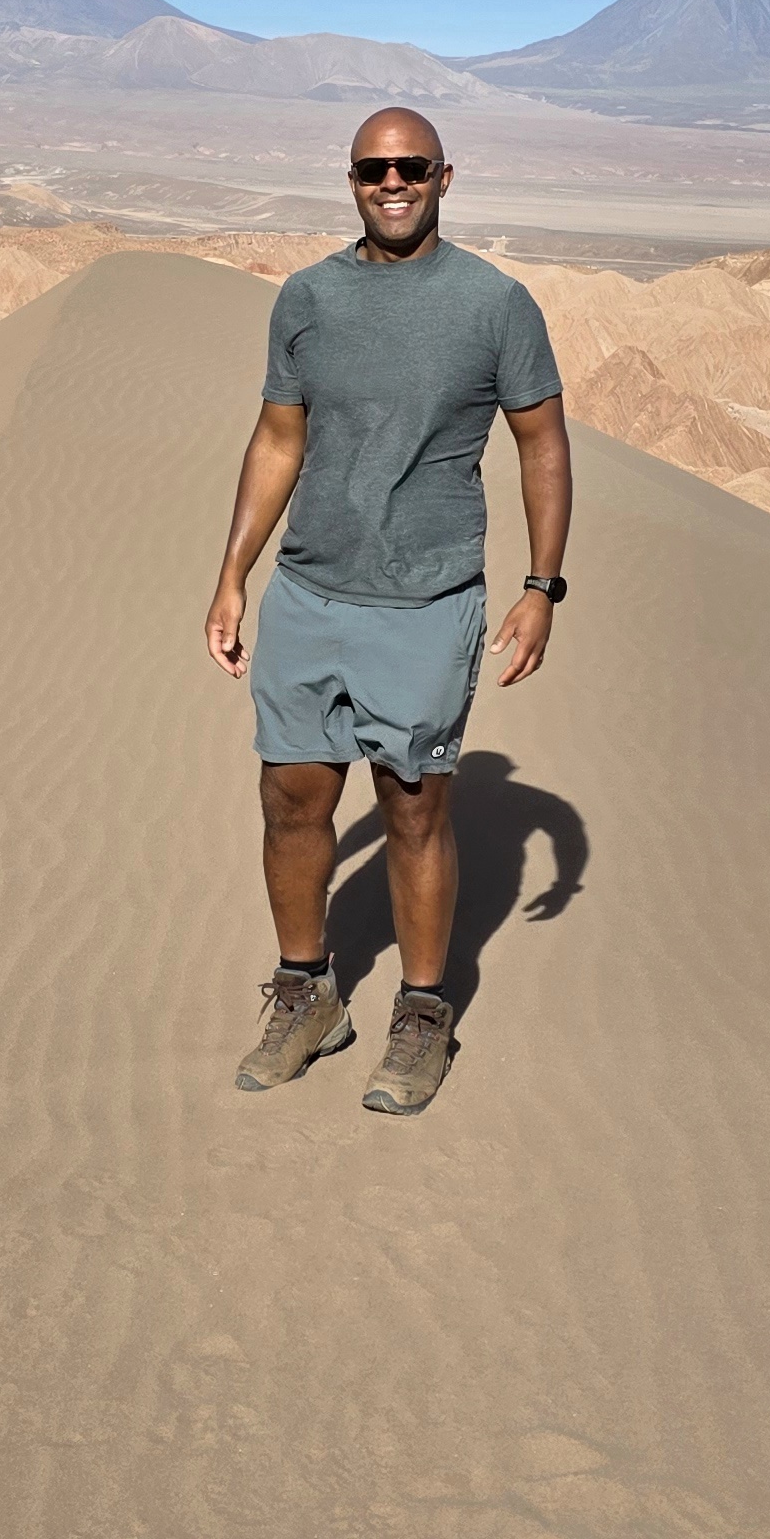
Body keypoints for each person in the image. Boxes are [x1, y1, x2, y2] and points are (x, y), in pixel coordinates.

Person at [205, 106, 572, 1116]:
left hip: (426, 600)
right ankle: (306, 992)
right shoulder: (308, 298)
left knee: (413, 805)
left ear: (445, 177)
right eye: (375, 170)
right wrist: (234, 571)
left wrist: (543, 585)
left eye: (412, 166)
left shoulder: (495, 305)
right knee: (292, 797)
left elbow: (542, 442)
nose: (393, 183)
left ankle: (420, 1011)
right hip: (310, 591)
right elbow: (279, 437)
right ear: (352, 179)